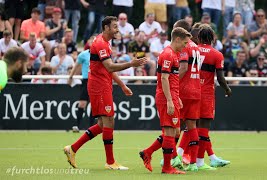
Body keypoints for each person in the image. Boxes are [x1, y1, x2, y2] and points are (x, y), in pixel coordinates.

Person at [63, 16, 147, 170]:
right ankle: (110, 162)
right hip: (99, 87)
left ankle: (72, 149)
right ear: (107, 28)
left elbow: (107, 69)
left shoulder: (106, 42)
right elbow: (109, 67)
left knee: (103, 124)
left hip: (102, 85)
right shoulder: (101, 43)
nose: (117, 29)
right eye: (115, 26)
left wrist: (122, 85)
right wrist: (131, 64)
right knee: (108, 122)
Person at [139, 27, 191, 174]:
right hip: (166, 97)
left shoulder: (174, 54)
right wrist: (169, 100)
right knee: (169, 132)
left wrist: (176, 97)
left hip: (172, 96)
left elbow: (172, 79)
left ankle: (148, 152)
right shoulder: (168, 54)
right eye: (185, 43)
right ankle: (167, 167)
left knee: (174, 131)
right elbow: (164, 78)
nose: (185, 46)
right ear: (177, 39)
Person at [197, 24, 232, 169]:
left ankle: (181, 156)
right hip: (206, 94)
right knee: (204, 129)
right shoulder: (217, 54)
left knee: (191, 127)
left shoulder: (192, 50)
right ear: (212, 38)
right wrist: (227, 90)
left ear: (198, 37)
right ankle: (199, 162)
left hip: (191, 92)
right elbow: (221, 78)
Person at [173, 19, 201, 172]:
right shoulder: (196, 47)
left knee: (173, 126)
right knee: (192, 127)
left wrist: (172, 84)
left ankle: (171, 158)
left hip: (184, 90)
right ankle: (193, 164)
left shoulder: (184, 46)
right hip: (196, 89)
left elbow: (183, 68)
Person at [68, 35, 96, 133]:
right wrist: (70, 77)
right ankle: (77, 125)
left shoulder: (101, 55)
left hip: (96, 81)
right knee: (82, 103)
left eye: (95, 40)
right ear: (88, 42)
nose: (93, 42)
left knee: (94, 105)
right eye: (91, 40)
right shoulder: (83, 55)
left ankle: (91, 128)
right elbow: (76, 66)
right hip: (86, 81)